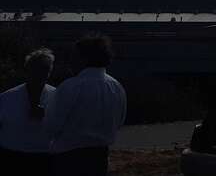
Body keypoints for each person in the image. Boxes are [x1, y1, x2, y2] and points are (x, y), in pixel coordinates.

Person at [45, 34, 126, 176]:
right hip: (100, 157)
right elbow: (119, 122)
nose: (71, 61)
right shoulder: (116, 87)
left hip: (68, 158)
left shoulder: (70, 86)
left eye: (75, 56)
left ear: (84, 58)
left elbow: (52, 125)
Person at [0, 48, 57, 176]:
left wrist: (47, 116)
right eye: (36, 68)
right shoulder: (7, 97)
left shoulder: (58, 97)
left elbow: (65, 127)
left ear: (50, 71)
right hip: (11, 158)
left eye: (45, 69)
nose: (40, 73)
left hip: (43, 159)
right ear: (27, 69)